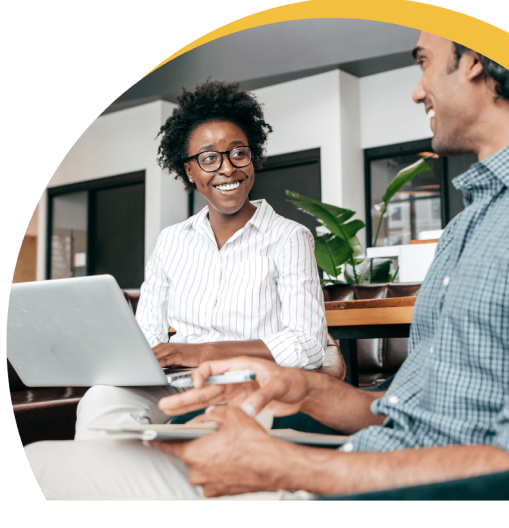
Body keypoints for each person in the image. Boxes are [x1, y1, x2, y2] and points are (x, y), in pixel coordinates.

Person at [25, 31, 509, 500]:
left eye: (422, 60)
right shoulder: (468, 224)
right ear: (189, 171)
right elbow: (418, 412)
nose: (416, 89)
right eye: (208, 158)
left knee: (41, 463)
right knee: (98, 412)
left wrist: (287, 464)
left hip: (355, 477)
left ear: (477, 60)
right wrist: (309, 391)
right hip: (347, 454)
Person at [73, 80, 328, 440]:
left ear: (252, 157)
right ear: (190, 171)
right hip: (177, 382)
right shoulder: (172, 240)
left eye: (238, 153)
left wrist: (203, 352)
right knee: (101, 404)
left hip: (250, 383)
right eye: (209, 158)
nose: (227, 169)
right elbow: (148, 333)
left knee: (197, 428)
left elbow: (307, 344)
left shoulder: (289, 237)